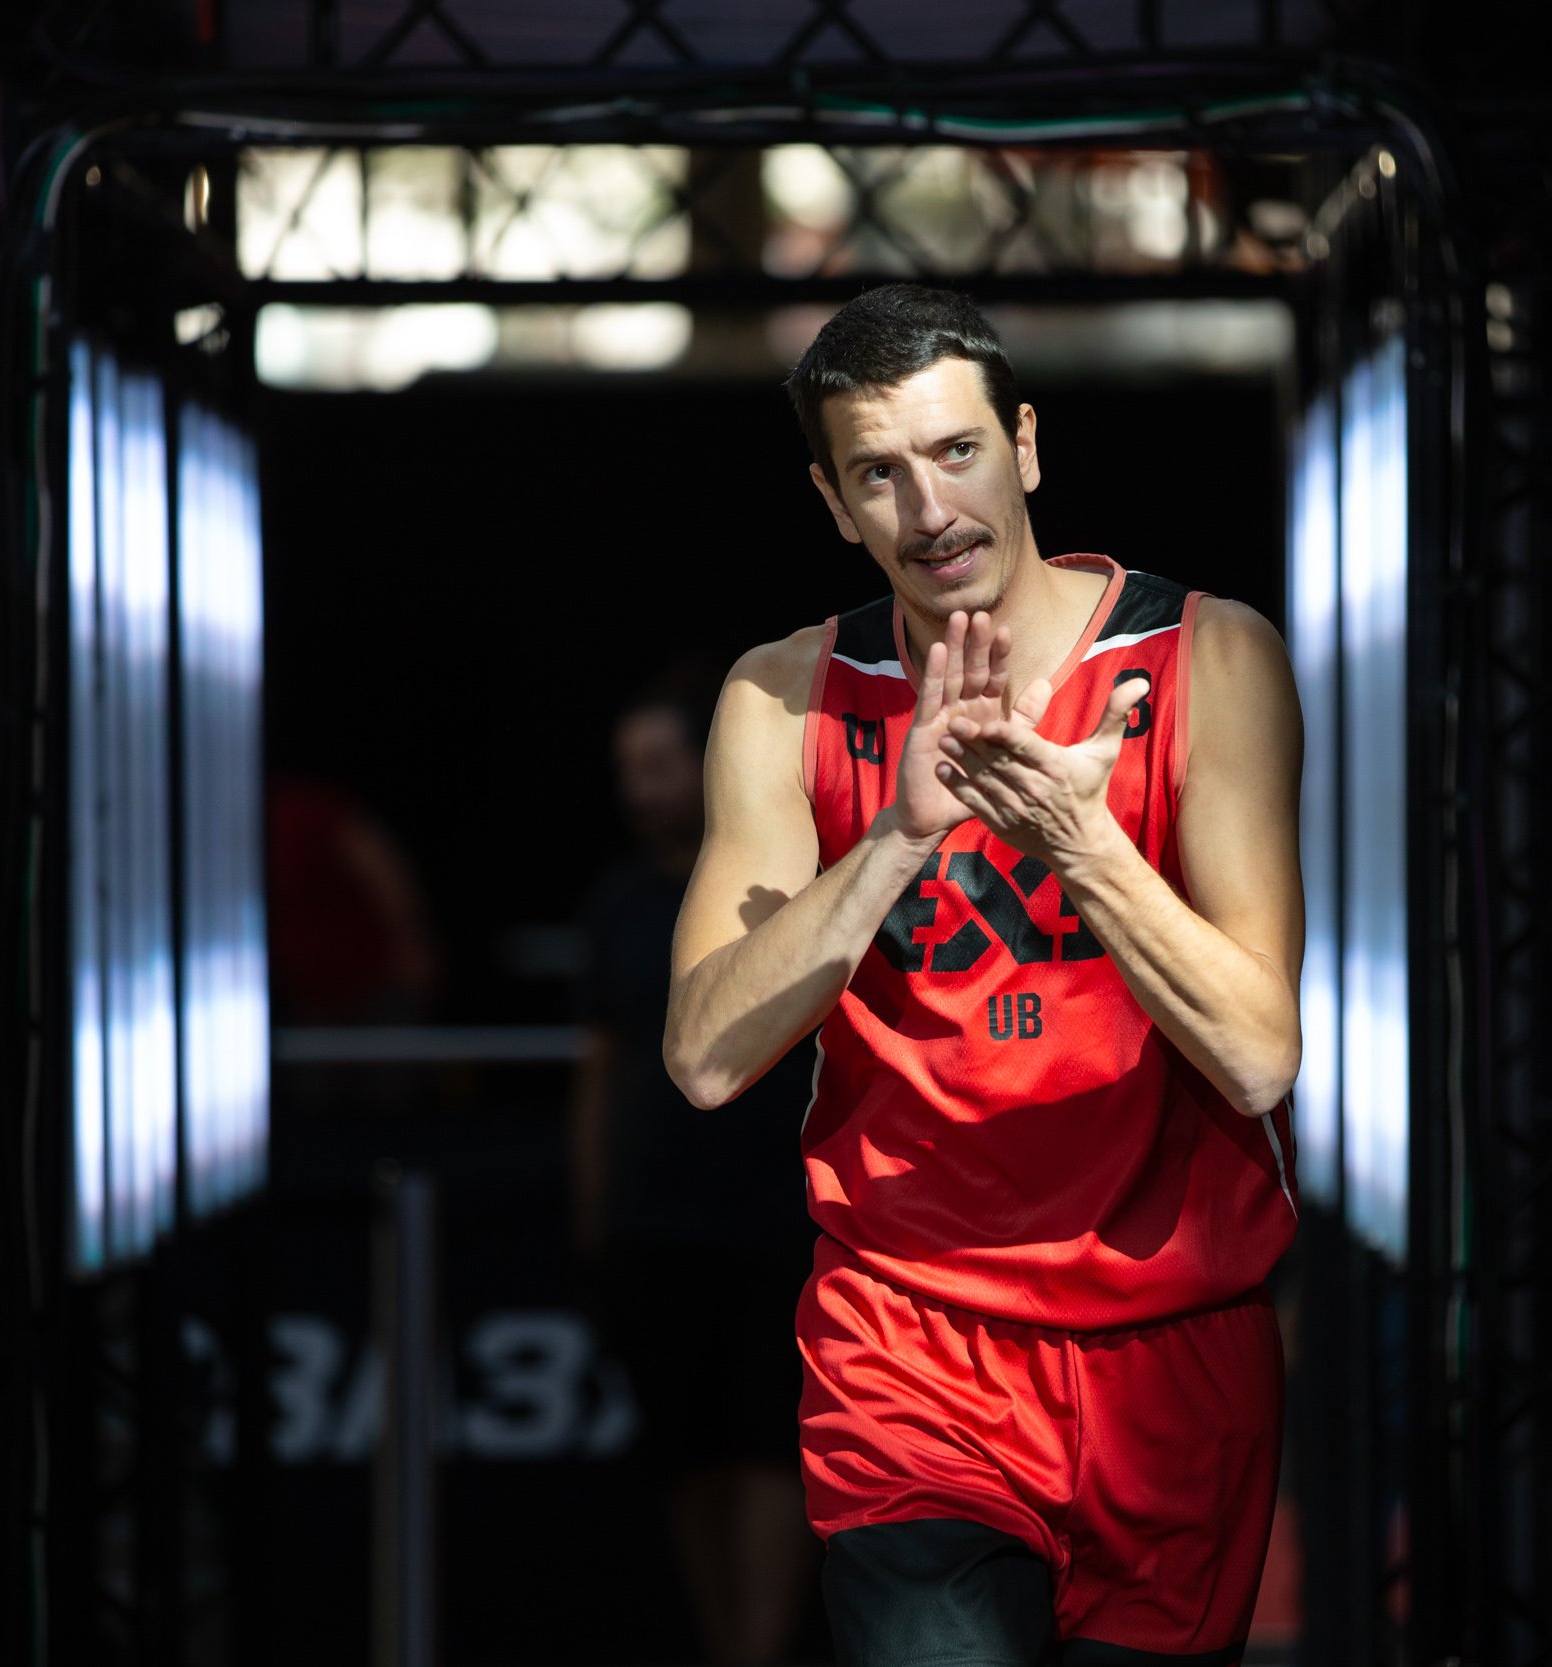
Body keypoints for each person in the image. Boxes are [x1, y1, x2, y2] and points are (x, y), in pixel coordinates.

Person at [663, 284, 1304, 1665]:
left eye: (955, 453)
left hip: (1173, 1345)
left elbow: (1258, 1053)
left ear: (1024, 443)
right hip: (913, 1343)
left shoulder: (1206, 654)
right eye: (878, 474)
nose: (927, 508)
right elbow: (707, 1054)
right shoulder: (785, 695)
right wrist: (898, 830)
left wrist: (1080, 840)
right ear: (834, 502)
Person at [570, 671, 820, 1664]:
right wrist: (595, 1215)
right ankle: (728, 1644)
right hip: (655, 1218)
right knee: (688, 1452)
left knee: (772, 1441)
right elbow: (598, 1070)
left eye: (660, 764)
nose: (642, 789)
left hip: (776, 1209)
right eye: (627, 770)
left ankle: (760, 1646)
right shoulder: (619, 902)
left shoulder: (789, 878)